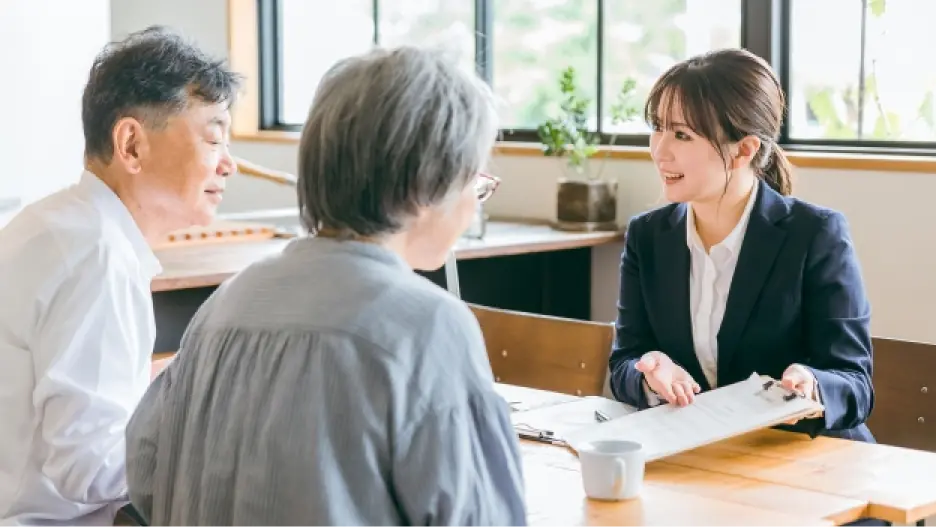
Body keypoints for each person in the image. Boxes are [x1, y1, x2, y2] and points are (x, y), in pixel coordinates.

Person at [125, 45, 526, 526]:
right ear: (427, 184)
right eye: (475, 182)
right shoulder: (429, 326)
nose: (474, 205)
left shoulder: (225, 304)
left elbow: (145, 481)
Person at [0, 26, 240, 526]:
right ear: (131, 143)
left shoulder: (58, 223)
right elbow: (87, 469)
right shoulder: (97, 256)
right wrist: (211, 430)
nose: (229, 164)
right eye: (213, 137)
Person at [608, 48, 874, 445]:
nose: (659, 150)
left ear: (744, 150)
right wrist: (650, 373)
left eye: (681, 134)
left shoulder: (816, 234)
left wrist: (811, 384)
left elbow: (855, 382)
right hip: (705, 458)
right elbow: (624, 362)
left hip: (807, 459)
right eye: (658, 128)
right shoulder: (648, 236)